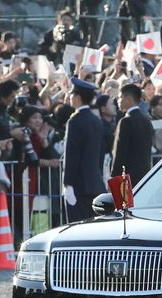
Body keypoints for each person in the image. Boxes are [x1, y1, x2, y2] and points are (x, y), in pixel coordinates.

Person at [62, 77, 107, 222]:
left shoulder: (75, 121)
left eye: (72, 95)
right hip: (95, 183)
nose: (69, 97)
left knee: (77, 228)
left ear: (78, 98)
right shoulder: (96, 120)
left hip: (79, 185)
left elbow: (72, 154)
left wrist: (67, 183)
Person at [109, 83, 152, 186]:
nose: (118, 101)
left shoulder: (126, 121)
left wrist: (114, 177)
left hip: (127, 179)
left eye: (120, 98)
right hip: (144, 177)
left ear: (129, 99)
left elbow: (120, 153)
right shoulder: (146, 120)